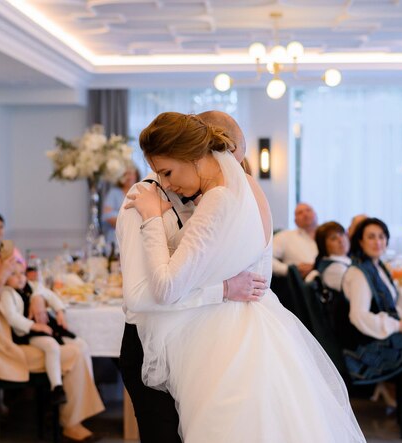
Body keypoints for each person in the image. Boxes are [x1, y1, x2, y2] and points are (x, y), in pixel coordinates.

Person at [122, 112, 365, 442]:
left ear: (194, 153)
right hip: (253, 328)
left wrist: (153, 219)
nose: (165, 183)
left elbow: (167, 286)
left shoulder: (217, 199)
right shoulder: (247, 191)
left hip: (220, 340)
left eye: (168, 171)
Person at [117, 110, 268, 443]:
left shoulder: (207, 198)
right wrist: (224, 289)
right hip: (147, 347)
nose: (169, 181)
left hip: (192, 350)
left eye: (170, 171)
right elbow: (140, 297)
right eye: (162, 172)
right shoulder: (141, 202)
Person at [0, 222, 104, 441]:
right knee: (74, 353)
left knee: (77, 346)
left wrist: (37, 298)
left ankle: (65, 415)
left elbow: (26, 286)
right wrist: (1, 278)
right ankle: (71, 422)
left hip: (11, 341)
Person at [341, 218, 402, 384]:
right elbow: (358, 316)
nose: (378, 242)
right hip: (365, 348)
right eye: (371, 237)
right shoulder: (359, 274)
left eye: (382, 236)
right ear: (360, 242)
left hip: (373, 335)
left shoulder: (376, 266)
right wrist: (399, 325)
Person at [0, 261, 75, 406]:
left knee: (69, 338)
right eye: (13, 274)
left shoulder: (31, 286)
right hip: (27, 333)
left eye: (22, 273)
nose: (20, 277)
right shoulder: (6, 293)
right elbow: (12, 317)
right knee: (51, 346)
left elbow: (49, 294)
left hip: (43, 327)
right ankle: (56, 387)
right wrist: (34, 326)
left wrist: (59, 311)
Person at [272, 202, 319, 278]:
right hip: (301, 284)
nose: (305, 214)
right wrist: (291, 270)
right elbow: (267, 258)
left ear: (316, 215)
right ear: (295, 221)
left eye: (308, 210)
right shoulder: (284, 236)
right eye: (300, 213)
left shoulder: (329, 237)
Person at [102, 166, 139, 246]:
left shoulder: (140, 193)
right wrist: (131, 220)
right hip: (115, 239)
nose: (128, 177)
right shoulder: (114, 192)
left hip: (136, 239)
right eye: (125, 174)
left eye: (131, 174)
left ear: (136, 175)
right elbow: (107, 216)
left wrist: (121, 217)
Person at [309, 221, 351, 292]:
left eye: (342, 234)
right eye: (333, 238)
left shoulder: (347, 260)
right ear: (323, 245)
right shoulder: (333, 268)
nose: (341, 240)